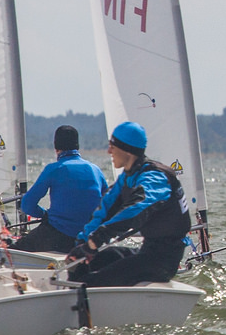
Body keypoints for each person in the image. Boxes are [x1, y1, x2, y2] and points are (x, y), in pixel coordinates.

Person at [62, 122, 193, 288]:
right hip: (148, 250)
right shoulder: (129, 176)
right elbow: (105, 208)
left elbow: (135, 209)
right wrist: (83, 241)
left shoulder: (155, 178)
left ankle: (83, 304)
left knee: (90, 283)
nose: (109, 151)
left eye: (112, 146)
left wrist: (97, 239)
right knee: (85, 265)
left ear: (127, 150)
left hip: (163, 261)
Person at [12, 126, 108, 253]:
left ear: (56, 148)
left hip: (58, 237)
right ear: (77, 146)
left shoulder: (53, 169)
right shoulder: (95, 169)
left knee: (14, 250)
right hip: (89, 238)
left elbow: (27, 205)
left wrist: (44, 214)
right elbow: (108, 204)